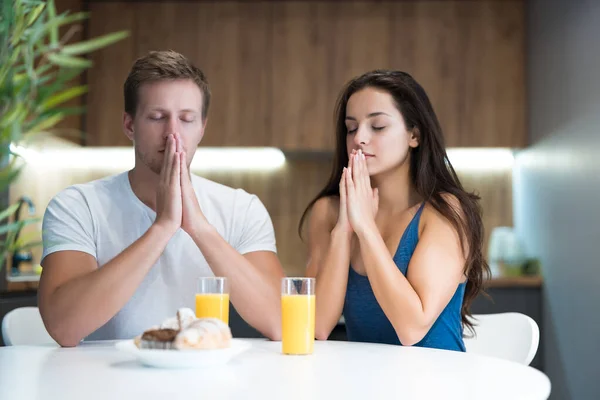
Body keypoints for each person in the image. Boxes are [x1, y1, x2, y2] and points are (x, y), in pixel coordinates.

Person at [38, 50, 284, 346]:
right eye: (157, 117)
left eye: (187, 119)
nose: (173, 134)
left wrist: (200, 228)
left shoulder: (242, 209)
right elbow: (64, 327)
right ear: (130, 125)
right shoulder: (77, 206)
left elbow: (282, 323)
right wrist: (163, 227)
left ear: (202, 127)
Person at [300, 70, 489, 351]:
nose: (359, 138)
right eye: (351, 128)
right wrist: (344, 229)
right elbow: (318, 327)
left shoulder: (445, 212)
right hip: (365, 384)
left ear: (414, 135)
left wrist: (365, 227)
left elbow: (411, 328)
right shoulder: (328, 211)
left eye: (377, 126)